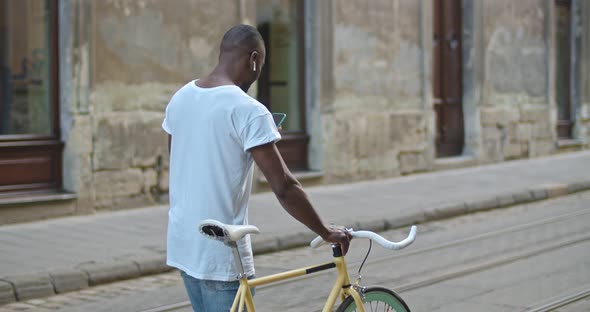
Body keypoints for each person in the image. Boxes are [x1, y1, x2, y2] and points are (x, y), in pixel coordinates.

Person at [162, 24, 351, 311]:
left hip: (184, 243)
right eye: (260, 64)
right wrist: (325, 231)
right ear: (253, 59)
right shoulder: (247, 109)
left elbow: (183, 158)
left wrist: (255, 134)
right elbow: (285, 187)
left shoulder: (181, 97)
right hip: (219, 254)